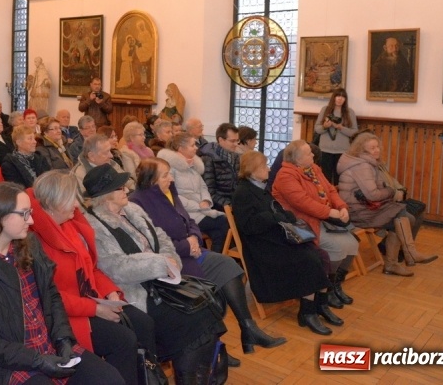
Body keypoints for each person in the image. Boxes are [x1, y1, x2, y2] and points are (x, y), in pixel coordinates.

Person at [0, 181, 123, 384]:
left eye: (30, 212)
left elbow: (52, 296)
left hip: (48, 345)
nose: (31, 220)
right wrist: (36, 360)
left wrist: (63, 340)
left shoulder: (29, 244)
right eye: (24, 214)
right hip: (8, 361)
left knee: (110, 379)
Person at [82, 165, 228, 383]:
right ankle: (191, 377)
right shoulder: (94, 225)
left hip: (163, 281)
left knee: (208, 305)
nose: (126, 190)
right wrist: (159, 263)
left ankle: (193, 377)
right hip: (136, 291)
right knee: (195, 320)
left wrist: (171, 261)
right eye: (120, 187)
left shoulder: (133, 210)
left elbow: (161, 236)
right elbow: (115, 267)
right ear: (105, 196)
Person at [130, 158, 285, 356]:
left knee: (228, 266)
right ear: (151, 180)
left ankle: (248, 328)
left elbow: (189, 220)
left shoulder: (170, 192)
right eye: (165, 175)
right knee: (204, 293)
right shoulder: (138, 203)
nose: (171, 178)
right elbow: (152, 244)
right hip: (173, 261)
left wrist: (194, 236)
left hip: (191, 251)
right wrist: (187, 245)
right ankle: (214, 347)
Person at [31, 170, 157, 385]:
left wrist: (111, 292)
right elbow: (50, 296)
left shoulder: (69, 226)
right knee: (123, 339)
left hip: (93, 299)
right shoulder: (36, 240)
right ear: (55, 202)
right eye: (71, 199)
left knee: (143, 323)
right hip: (67, 315)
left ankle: (151, 378)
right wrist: (95, 309)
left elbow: (92, 268)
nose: (77, 205)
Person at [231, 151, 335, 335]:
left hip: (274, 237)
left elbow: (275, 210)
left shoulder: (259, 187)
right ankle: (307, 312)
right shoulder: (243, 192)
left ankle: (320, 303)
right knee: (308, 259)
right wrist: (274, 216)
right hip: (262, 246)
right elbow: (248, 226)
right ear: (253, 170)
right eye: (264, 166)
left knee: (320, 255)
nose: (269, 169)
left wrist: (284, 215)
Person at [272, 139, 358, 317]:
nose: (313, 155)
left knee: (352, 245)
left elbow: (331, 190)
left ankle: (334, 286)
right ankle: (324, 291)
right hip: (301, 225)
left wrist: (342, 207)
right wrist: (332, 213)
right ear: (297, 159)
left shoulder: (314, 169)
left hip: (320, 219)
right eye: (309, 153)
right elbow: (303, 203)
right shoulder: (286, 175)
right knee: (336, 248)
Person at [336, 132, 437, 275]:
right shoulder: (362, 166)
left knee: (403, 215)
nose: (377, 150)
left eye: (377, 146)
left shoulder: (367, 162)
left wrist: (387, 190)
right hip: (357, 212)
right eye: (372, 148)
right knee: (402, 215)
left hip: (365, 207)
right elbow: (373, 194)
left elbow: (376, 190)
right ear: (362, 151)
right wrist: (390, 191)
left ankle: (399, 260)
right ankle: (401, 258)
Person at [158, 133, 229, 252]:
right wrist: (198, 206)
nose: (196, 147)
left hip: (201, 210)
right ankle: (215, 259)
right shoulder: (170, 168)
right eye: (192, 145)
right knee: (222, 222)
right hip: (185, 213)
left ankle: (213, 260)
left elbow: (203, 187)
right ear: (181, 148)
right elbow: (173, 195)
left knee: (219, 231)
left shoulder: (192, 165)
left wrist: (206, 201)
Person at [313, 88, 358, 185]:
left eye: (343, 96)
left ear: (345, 99)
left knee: (340, 179)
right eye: (338, 96)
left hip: (342, 151)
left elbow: (354, 132)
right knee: (325, 179)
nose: (340, 99)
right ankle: (326, 199)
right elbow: (317, 128)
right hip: (325, 150)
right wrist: (325, 126)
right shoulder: (325, 110)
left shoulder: (350, 112)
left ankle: (337, 199)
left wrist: (341, 128)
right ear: (334, 97)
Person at [72, 135, 135, 201]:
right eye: (106, 152)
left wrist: (132, 194)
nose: (111, 156)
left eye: (110, 151)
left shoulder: (111, 163)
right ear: (92, 156)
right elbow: (85, 202)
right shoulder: (79, 174)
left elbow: (128, 182)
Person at [199, 123, 241, 211]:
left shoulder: (236, 157)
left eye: (237, 140)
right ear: (221, 140)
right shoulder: (208, 159)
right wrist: (229, 205)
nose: (236, 144)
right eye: (232, 141)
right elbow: (209, 191)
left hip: (235, 202)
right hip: (219, 206)